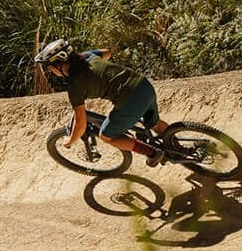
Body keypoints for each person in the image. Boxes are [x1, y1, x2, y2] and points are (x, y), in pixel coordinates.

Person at [35, 38, 167, 161]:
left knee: (106, 136)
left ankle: (152, 153)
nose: (51, 70)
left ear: (59, 64)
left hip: (130, 100)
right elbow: (107, 52)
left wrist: (70, 141)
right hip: (144, 85)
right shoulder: (87, 56)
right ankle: (178, 148)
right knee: (155, 124)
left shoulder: (74, 85)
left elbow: (81, 124)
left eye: (50, 67)